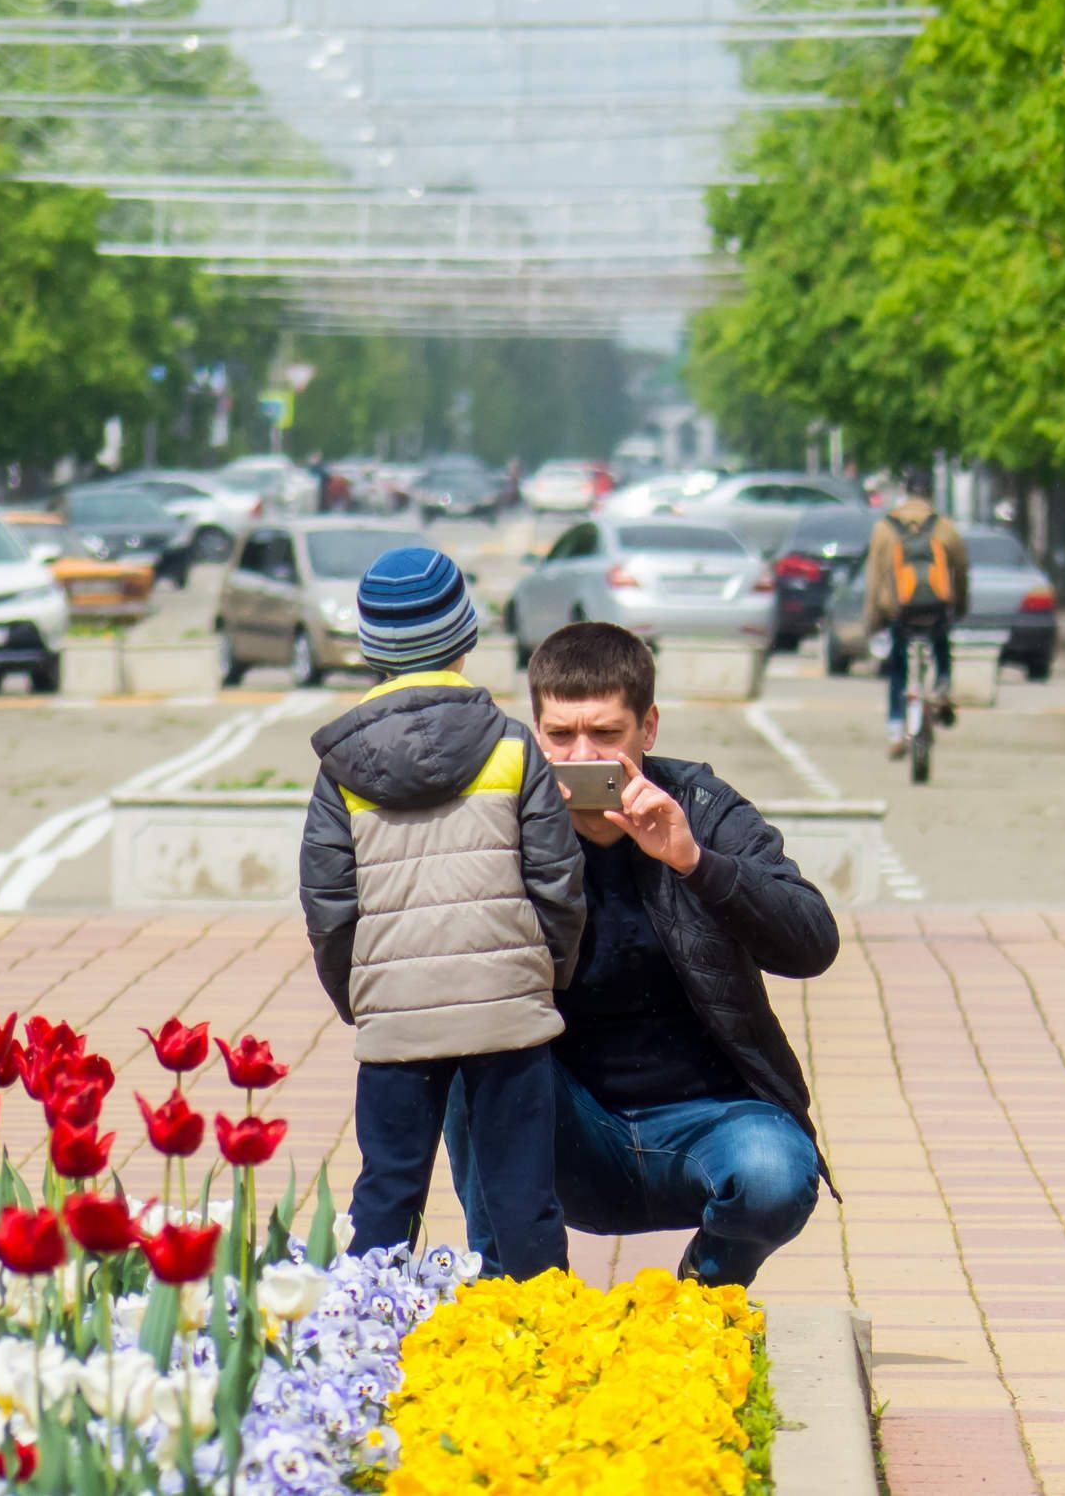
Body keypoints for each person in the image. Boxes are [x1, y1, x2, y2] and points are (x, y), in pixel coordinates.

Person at [444, 622, 839, 1288]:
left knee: (776, 1176)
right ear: (532, 732)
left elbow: (812, 943)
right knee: (469, 1046)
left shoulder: (703, 809)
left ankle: (702, 1301)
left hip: (708, 1119)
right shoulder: (501, 818)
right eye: (560, 735)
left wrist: (692, 861)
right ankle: (506, 1300)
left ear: (648, 729)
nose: (581, 754)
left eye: (605, 734)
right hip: (569, 1127)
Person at [299, 547, 586, 1279]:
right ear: (465, 637)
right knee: (523, 1198)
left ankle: (366, 1347)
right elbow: (557, 883)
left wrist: (362, 998)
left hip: (396, 1015)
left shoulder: (341, 768)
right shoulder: (513, 750)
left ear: (369, 650)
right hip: (508, 1013)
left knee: (387, 1196)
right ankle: (541, 1344)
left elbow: (330, 905)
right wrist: (540, 980)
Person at [864, 482, 970, 755]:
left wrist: (874, 621)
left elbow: (874, 578)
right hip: (935, 609)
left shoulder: (884, 529)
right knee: (941, 646)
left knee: (898, 667)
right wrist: (958, 607)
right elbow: (960, 570)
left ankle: (897, 729)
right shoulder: (944, 526)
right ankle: (942, 686)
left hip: (899, 612)